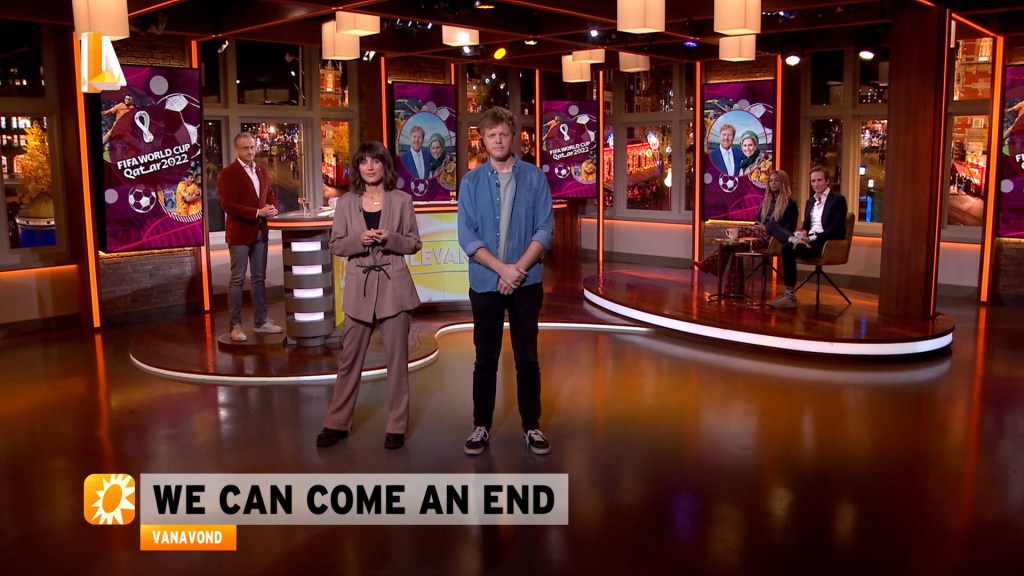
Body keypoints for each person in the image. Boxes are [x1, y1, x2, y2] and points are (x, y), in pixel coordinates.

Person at [457, 107, 554, 456]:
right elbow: (467, 236)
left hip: (526, 284)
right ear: (483, 140)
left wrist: (517, 271)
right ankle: (480, 425)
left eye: (503, 134)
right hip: (485, 283)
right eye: (491, 135)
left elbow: (545, 230)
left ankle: (532, 426)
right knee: (485, 357)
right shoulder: (470, 182)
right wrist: (502, 270)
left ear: (513, 137)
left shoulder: (535, 178)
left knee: (527, 357)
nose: (497, 140)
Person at [316, 141, 422, 451]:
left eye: (375, 161)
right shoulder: (347, 203)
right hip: (359, 289)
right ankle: (337, 423)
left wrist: (391, 238)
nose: (370, 167)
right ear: (358, 167)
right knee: (349, 361)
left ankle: (396, 426)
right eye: (364, 162)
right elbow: (336, 245)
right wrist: (359, 239)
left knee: (397, 362)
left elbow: (414, 243)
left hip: (394, 288)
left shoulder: (401, 200)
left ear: (384, 165)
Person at [217, 132, 284, 341]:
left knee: (258, 278)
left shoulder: (261, 171)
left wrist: (272, 208)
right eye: (245, 148)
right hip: (239, 234)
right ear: (236, 149)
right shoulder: (228, 173)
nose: (250, 151)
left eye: (253, 147)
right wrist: (256, 212)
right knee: (237, 279)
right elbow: (227, 205)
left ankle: (261, 321)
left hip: (260, 233)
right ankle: (235, 326)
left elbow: (269, 195)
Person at [695, 169, 799, 292]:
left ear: (784, 182)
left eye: (777, 180)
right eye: (771, 180)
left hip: (775, 240)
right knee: (736, 247)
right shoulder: (765, 202)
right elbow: (757, 223)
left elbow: (787, 230)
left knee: (738, 234)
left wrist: (766, 228)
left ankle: (711, 263)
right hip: (759, 235)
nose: (773, 183)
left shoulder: (790, 204)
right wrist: (757, 228)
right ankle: (733, 290)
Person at [768, 165, 849, 309]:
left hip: (823, 242)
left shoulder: (838, 200)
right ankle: (789, 294)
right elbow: (806, 225)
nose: (816, 184)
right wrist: (803, 233)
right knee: (780, 238)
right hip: (807, 241)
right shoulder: (810, 202)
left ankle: (789, 295)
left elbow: (836, 229)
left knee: (789, 247)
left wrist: (811, 238)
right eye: (813, 181)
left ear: (827, 181)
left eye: (819, 180)